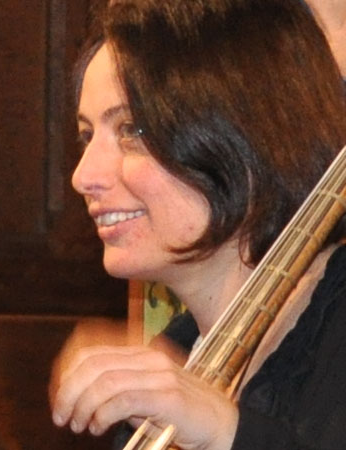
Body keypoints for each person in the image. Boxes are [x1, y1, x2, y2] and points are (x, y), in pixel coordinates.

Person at [49, 0, 346, 449]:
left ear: (246, 136)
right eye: (87, 136)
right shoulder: (173, 362)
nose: (82, 176)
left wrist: (224, 430)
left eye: (131, 130)